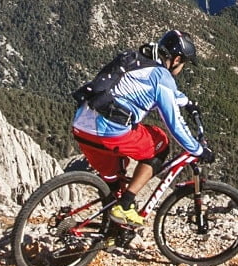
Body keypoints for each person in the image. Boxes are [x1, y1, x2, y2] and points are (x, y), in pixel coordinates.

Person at [72, 29, 214, 226]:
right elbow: (174, 123)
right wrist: (198, 150)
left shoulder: (138, 62)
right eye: (184, 63)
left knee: (116, 183)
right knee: (160, 141)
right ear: (176, 59)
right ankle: (126, 205)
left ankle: (111, 233)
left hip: (81, 127)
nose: (182, 68)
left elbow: (163, 92)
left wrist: (187, 102)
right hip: (109, 132)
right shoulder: (162, 77)